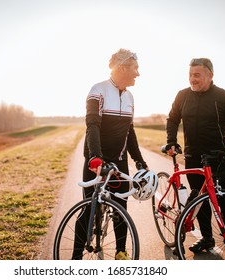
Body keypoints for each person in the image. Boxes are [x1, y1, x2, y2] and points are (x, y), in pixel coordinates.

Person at [166, 58, 225, 260]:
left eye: (197, 75)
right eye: (190, 75)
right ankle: (207, 238)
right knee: (199, 200)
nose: (192, 79)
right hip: (193, 157)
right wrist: (171, 141)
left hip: (219, 158)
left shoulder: (223, 97)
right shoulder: (182, 95)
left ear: (210, 75)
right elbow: (173, 119)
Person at [72, 48, 148, 260]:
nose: (138, 73)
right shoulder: (98, 90)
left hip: (119, 161)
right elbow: (93, 125)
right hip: (96, 160)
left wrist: (139, 161)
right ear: (122, 67)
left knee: (120, 209)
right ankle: (75, 260)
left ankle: (121, 252)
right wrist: (96, 156)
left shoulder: (131, 97)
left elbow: (129, 132)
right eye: (135, 68)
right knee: (89, 210)